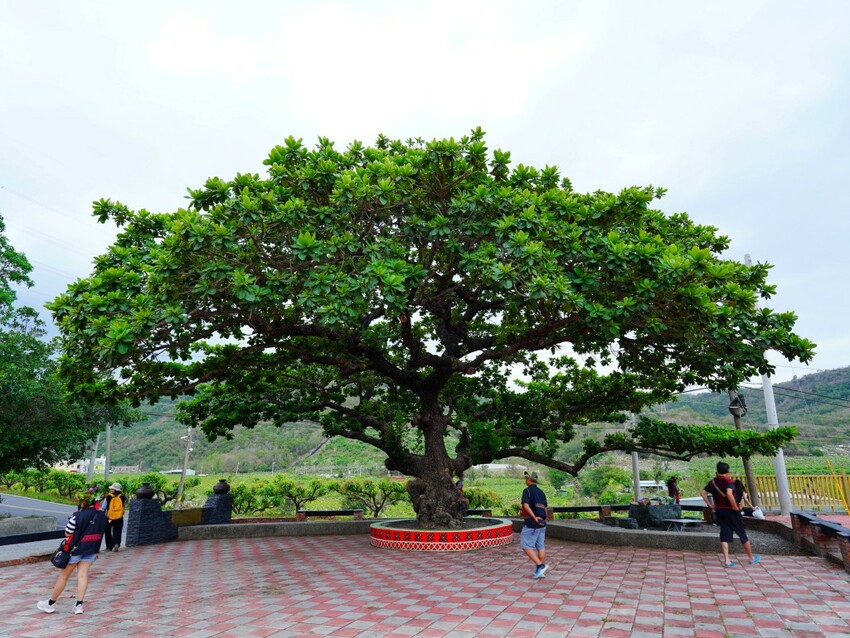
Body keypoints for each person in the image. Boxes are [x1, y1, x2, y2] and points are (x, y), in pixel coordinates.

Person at [37, 487, 107, 615]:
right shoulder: (102, 515)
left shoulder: (78, 516)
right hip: (91, 550)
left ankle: (51, 603)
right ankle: (79, 605)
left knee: (63, 577)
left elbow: (68, 532)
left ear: (83, 502)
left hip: (74, 551)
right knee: (83, 576)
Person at [700, 462, 761, 568]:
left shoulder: (713, 482)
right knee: (741, 533)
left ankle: (727, 561)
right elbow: (729, 493)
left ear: (717, 471)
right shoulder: (729, 481)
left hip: (720, 511)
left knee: (724, 534)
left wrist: (710, 505)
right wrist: (734, 506)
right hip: (731, 511)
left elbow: (702, 493)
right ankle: (751, 558)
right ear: (728, 471)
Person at [520, 471, 549, 579]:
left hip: (532, 523)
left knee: (525, 545)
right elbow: (545, 508)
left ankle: (540, 566)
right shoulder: (541, 492)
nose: (525, 481)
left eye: (526, 479)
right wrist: (544, 519)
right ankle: (540, 572)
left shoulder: (527, 491)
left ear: (529, 480)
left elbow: (526, 506)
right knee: (540, 547)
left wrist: (534, 517)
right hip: (542, 523)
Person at [104, 482, 127, 552]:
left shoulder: (108, 497)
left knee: (107, 530)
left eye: (112, 489)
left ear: (114, 490)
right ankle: (116, 543)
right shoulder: (123, 497)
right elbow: (124, 507)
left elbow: (103, 507)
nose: (110, 490)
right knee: (117, 530)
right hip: (119, 517)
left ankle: (109, 546)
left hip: (109, 517)